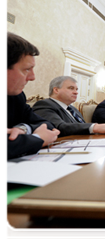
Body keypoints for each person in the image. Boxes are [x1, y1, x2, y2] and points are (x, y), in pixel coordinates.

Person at [5, 32, 60, 160]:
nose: (32, 77)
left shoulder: (16, 97)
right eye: (26, 69)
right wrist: (37, 139)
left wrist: (24, 129)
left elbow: (47, 125)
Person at [33, 76, 105, 137]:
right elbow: (59, 127)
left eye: (76, 89)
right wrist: (95, 127)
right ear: (56, 90)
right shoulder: (44, 105)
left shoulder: (73, 109)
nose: (76, 92)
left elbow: (81, 126)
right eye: (71, 88)